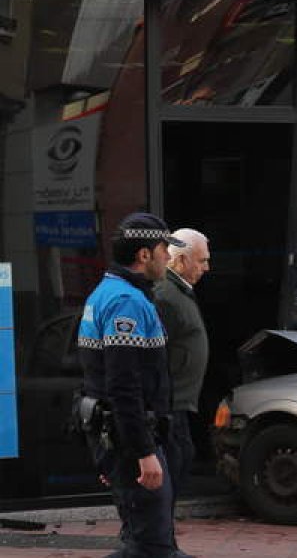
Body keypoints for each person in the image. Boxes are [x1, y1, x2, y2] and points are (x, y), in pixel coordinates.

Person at [76, 213, 187, 558]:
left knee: (147, 540)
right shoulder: (127, 302)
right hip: (131, 439)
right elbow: (122, 385)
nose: (168, 257)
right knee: (151, 547)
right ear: (144, 254)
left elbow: (97, 377)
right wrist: (142, 452)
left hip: (121, 438)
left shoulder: (107, 292)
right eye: (164, 249)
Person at [153, 228, 210, 526]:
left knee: (182, 457)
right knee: (175, 461)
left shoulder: (179, 292)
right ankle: (158, 532)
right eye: (202, 260)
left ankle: (162, 531)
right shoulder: (166, 295)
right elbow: (155, 354)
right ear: (182, 260)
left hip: (180, 400)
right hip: (170, 401)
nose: (206, 267)